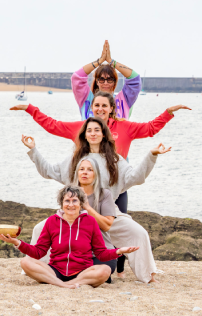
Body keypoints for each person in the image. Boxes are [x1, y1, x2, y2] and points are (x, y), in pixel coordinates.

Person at [21, 117, 171, 283]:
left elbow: (135, 177)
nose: (93, 133)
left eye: (97, 130)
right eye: (89, 130)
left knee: (139, 233)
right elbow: (49, 171)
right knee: (39, 228)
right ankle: (40, 270)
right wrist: (33, 150)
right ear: (84, 134)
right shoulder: (75, 159)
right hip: (74, 213)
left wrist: (151, 156)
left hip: (106, 212)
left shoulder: (114, 159)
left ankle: (148, 276)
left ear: (104, 134)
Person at [10, 91, 190, 213]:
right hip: (85, 187)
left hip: (116, 184)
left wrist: (168, 113)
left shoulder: (125, 127)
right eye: (97, 105)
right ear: (92, 107)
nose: (100, 109)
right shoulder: (83, 128)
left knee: (117, 227)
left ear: (112, 108)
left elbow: (150, 128)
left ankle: (119, 270)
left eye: (105, 105)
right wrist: (31, 109)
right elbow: (53, 126)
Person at [0, 185, 139, 288]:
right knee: (25, 262)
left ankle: (65, 284)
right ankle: (63, 284)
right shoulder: (51, 221)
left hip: (82, 272)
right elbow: (39, 251)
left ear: (81, 204)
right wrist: (17, 242)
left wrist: (119, 251)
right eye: (67, 201)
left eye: (75, 201)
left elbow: (101, 253)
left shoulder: (90, 222)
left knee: (105, 270)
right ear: (61, 203)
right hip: (56, 271)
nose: (71, 205)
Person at [73, 41, 141, 120]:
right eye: (101, 79)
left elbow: (135, 78)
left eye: (109, 80)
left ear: (114, 82)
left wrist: (111, 62)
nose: (105, 83)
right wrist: (99, 61)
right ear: (97, 81)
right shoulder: (86, 98)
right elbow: (77, 77)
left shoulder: (124, 99)